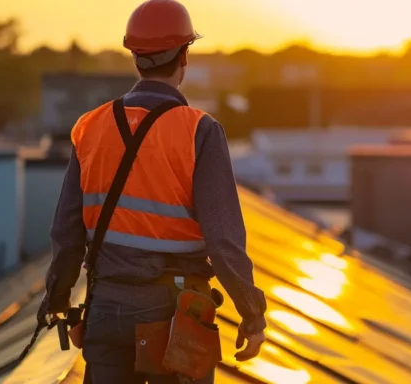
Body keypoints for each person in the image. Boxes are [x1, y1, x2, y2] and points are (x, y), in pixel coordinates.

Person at [41, 1, 267, 382]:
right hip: (174, 316)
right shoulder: (200, 131)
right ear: (185, 55)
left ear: (135, 59)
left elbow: (66, 233)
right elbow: (224, 241)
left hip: (106, 308)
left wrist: (57, 298)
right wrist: (252, 313)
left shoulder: (90, 127)